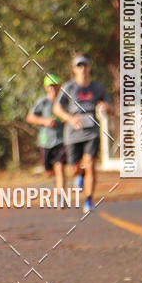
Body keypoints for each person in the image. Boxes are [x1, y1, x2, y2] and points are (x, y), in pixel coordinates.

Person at [53, 55, 112, 213]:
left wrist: (106, 107)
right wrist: (70, 119)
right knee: (74, 169)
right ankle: (80, 175)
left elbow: (111, 106)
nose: (83, 69)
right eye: (79, 66)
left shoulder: (98, 88)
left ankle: (88, 200)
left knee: (91, 164)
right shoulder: (69, 88)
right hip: (73, 134)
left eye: (85, 65)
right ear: (74, 69)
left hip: (92, 132)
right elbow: (57, 108)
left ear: (89, 67)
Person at [26, 74, 65, 192]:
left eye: (55, 86)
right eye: (50, 86)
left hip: (61, 140)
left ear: (59, 86)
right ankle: (54, 178)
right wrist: (45, 121)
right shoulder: (42, 102)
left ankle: (61, 196)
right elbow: (30, 117)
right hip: (46, 141)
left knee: (60, 167)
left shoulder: (65, 101)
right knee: (48, 172)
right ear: (46, 87)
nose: (53, 89)